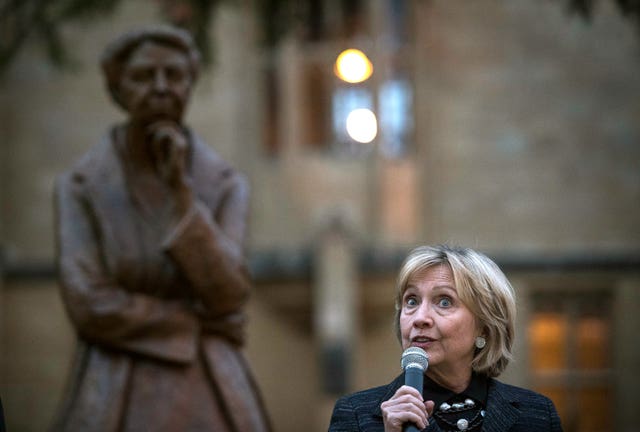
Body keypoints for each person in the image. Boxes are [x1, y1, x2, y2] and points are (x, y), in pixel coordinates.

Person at [52, 26, 270, 431]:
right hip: (115, 382)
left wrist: (183, 198)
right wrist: (196, 323)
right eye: (142, 76)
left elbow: (229, 293)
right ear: (117, 88)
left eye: (174, 75)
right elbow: (87, 302)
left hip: (212, 383)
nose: (160, 87)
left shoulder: (225, 184)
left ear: (190, 84)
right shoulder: (80, 186)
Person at [328, 244, 563, 432]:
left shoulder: (538, 414)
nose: (420, 318)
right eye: (412, 301)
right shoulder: (356, 415)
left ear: (484, 326)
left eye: (444, 301)